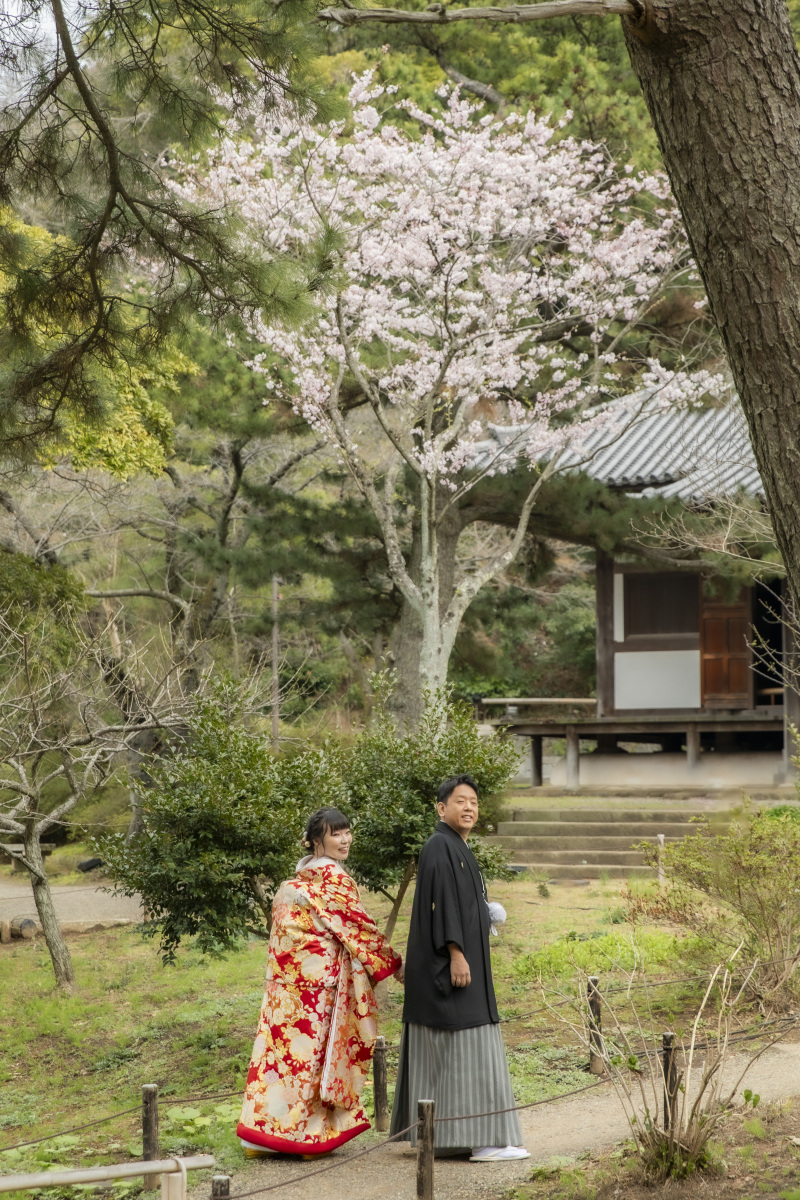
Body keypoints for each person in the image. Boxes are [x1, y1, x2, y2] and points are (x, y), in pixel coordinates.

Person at [237, 807, 403, 1157]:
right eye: (335, 834)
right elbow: (357, 925)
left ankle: (260, 1135)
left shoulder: (296, 881)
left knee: (279, 1058)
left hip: (285, 985)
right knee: (312, 1059)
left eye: (347, 832)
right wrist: (394, 964)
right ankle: (305, 1138)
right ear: (316, 841)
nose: (344, 840)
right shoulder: (332, 878)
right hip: (318, 986)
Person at [389, 774, 530, 1163]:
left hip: (461, 962)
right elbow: (443, 904)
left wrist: (485, 913)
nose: (469, 808)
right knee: (467, 1044)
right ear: (441, 808)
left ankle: (452, 1138)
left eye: (474, 803)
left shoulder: (456, 846)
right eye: (460, 801)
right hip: (450, 966)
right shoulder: (439, 845)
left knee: (457, 1049)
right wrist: (455, 952)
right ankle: (483, 1141)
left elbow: (462, 901)